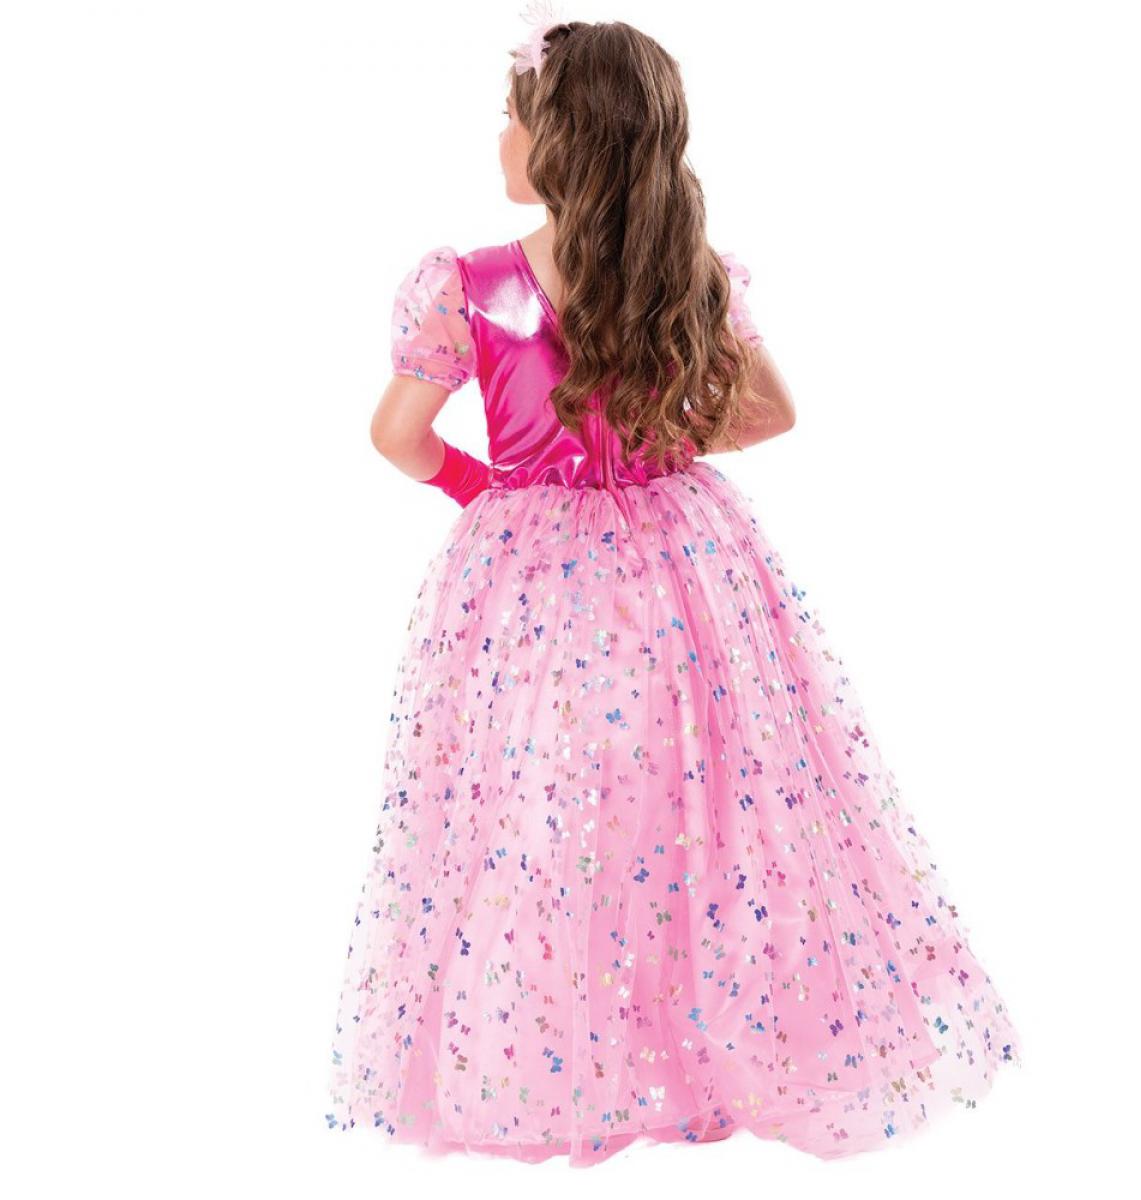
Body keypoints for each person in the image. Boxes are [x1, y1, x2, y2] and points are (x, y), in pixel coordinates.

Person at [325, 5, 1022, 1168]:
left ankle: (559, 1054)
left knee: (537, 806)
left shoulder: (473, 285)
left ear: (560, 140)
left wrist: (490, 490)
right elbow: (771, 411)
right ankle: (701, 1043)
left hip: (529, 583)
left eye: (511, 117)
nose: (499, 137)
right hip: (683, 566)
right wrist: (658, 443)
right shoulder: (682, 271)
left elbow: (397, 435)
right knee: (699, 796)